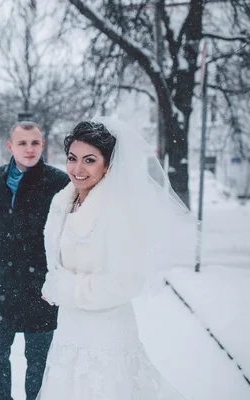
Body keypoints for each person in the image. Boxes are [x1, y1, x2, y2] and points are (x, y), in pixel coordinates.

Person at [37, 118, 196, 399]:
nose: (77, 168)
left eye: (89, 160)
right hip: (69, 330)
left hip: (105, 336)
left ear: (108, 166)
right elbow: (58, 261)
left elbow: (127, 281)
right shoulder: (63, 202)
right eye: (72, 158)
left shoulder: (119, 212)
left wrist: (67, 287)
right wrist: (53, 281)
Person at [0, 121, 70, 400]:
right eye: (22, 143)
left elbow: (67, 234)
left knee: (39, 361)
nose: (29, 149)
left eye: (34, 143)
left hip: (40, 287)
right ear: (10, 147)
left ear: (42, 145)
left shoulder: (59, 181)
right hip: (0, 285)